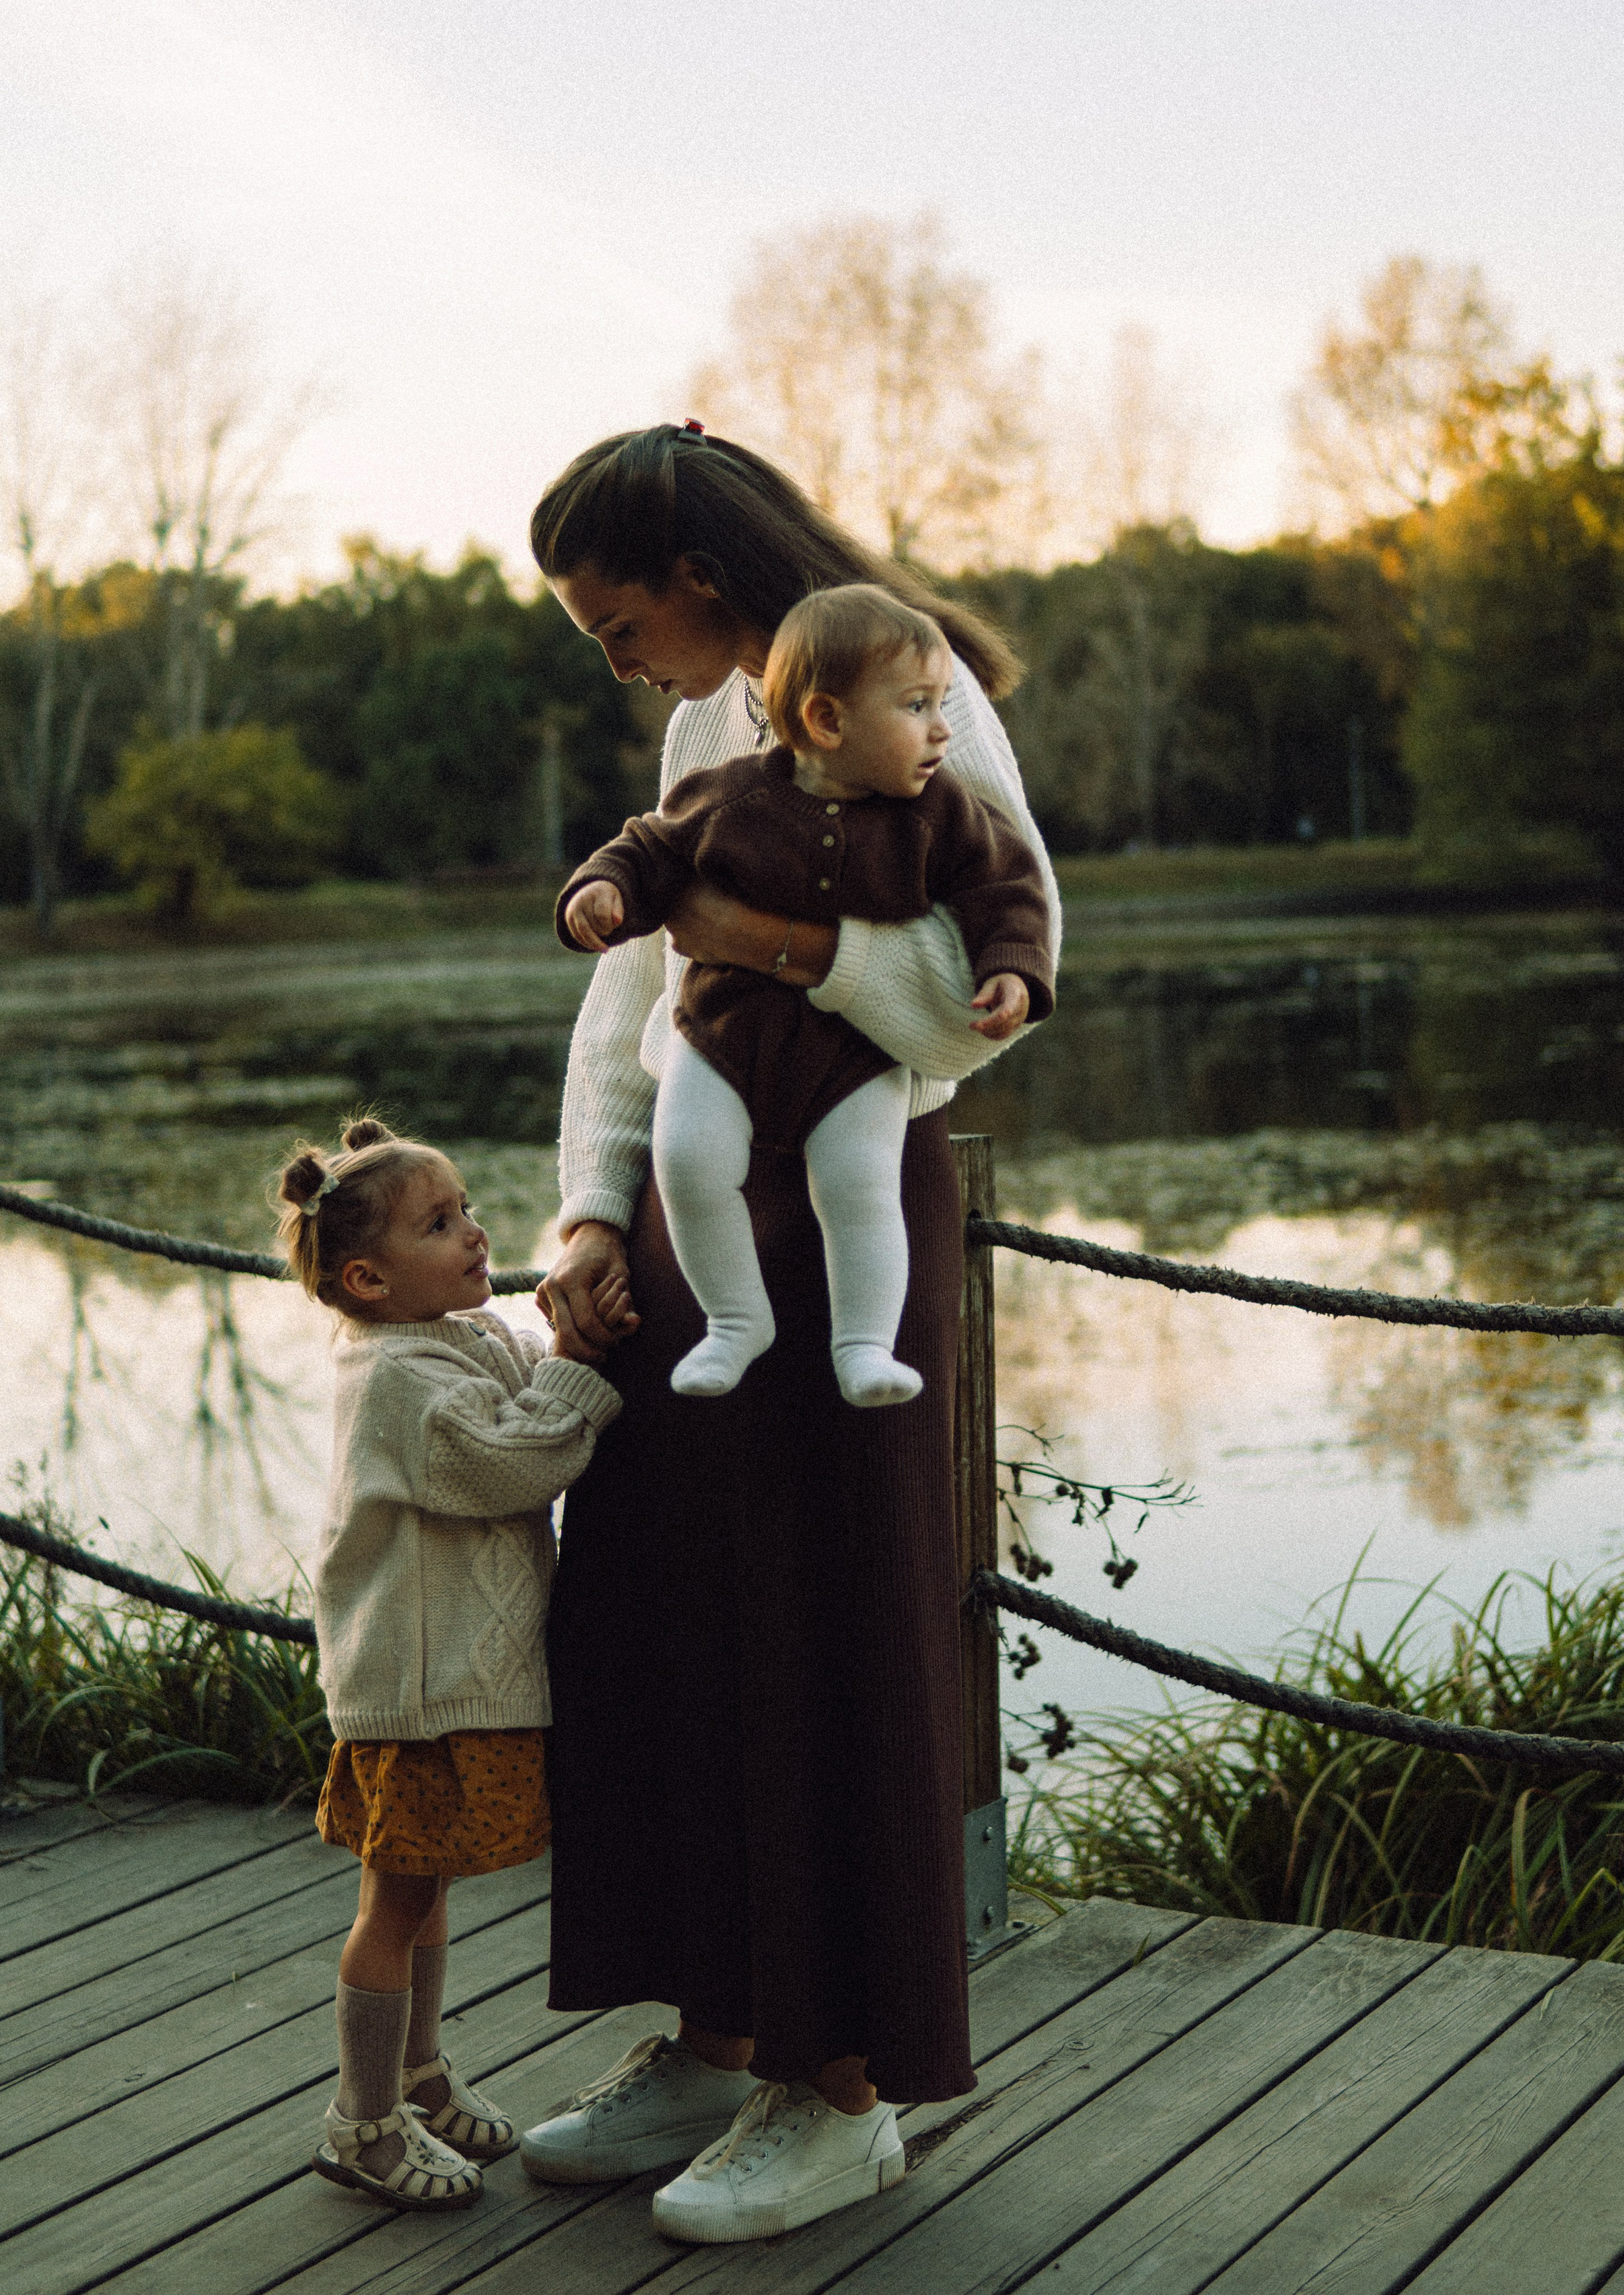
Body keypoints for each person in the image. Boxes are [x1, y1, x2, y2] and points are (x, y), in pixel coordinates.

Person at [522, 423, 1061, 2246]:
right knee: (670, 1600)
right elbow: (633, 1000)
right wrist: (591, 1208)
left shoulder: (915, 688)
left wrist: (797, 952)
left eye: (616, 626)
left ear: (697, 578)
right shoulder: (702, 734)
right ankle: (713, 2025)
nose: (618, 661)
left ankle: (842, 2093)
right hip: (690, 1218)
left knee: (823, 1623)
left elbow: (1003, 979)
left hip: (843, 1233)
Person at [561, 583, 1055, 1409]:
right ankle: (734, 1318)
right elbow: (648, 850)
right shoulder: (730, 792)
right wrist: (603, 890)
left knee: (861, 1183)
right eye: (917, 708)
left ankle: (864, 1344)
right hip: (719, 1035)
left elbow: (1008, 890)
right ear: (828, 722)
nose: (941, 727)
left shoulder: (940, 814)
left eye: (939, 704)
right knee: (687, 1159)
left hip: (851, 1057)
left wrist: (1012, 967)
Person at [277, 1117, 623, 2213]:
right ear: (369, 1279)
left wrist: (568, 1341)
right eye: (441, 1224)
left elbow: (521, 1395)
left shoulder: (453, 1337)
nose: (474, 1235)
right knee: (397, 1899)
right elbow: (508, 1461)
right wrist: (579, 1368)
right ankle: (362, 2121)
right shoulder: (393, 1382)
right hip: (416, 1694)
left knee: (422, 1894)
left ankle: (417, 2074)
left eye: (468, 1209)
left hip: (448, 1680)